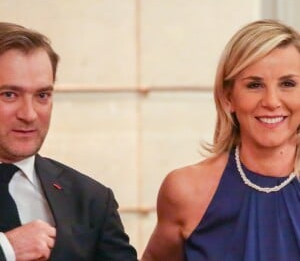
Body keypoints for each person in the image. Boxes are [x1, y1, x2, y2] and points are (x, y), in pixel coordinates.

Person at [141, 19, 300, 261]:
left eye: (288, 84)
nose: (271, 101)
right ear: (228, 97)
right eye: (254, 85)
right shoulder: (186, 190)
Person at [0, 22, 138, 261]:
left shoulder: (92, 199)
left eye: (42, 95)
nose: (29, 114)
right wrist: (7, 249)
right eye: (9, 95)